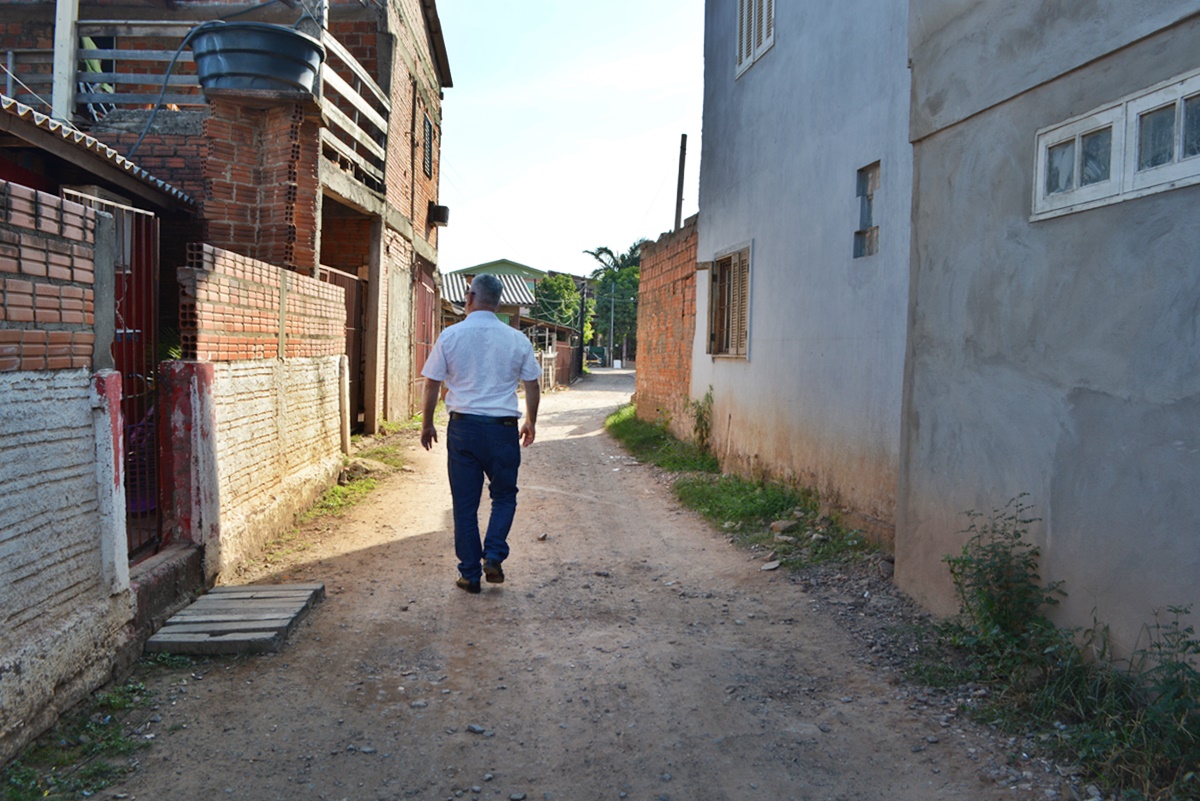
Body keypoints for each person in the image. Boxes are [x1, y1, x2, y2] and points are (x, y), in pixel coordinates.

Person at [420, 274, 542, 594]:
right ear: (499, 301)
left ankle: (470, 574)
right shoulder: (517, 339)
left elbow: (432, 382)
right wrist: (531, 420)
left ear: (469, 297)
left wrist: (427, 423)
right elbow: (532, 383)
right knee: (504, 496)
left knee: (465, 504)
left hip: (464, 429)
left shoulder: (451, 335)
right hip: (503, 431)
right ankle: (495, 555)